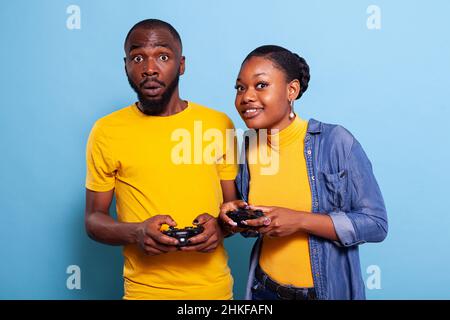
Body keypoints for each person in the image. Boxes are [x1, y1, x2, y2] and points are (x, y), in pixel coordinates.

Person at [85, 19, 239, 300]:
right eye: (138, 57)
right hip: (143, 293)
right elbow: (94, 220)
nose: (149, 68)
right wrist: (136, 233)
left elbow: (231, 211)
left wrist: (219, 227)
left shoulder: (219, 124)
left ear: (181, 65)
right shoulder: (106, 131)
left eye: (163, 56)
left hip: (214, 292)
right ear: (126, 66)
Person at [219, 45, 388, 300]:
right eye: (240, 87)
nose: (246, 97)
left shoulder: (336, 142)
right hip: (263, 290)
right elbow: (250, 229)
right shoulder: (246, 146)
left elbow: (376, 224)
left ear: (292, 90)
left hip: (323, 293)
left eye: (261, 85)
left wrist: (299, 221)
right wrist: (236, 215)